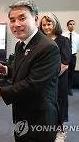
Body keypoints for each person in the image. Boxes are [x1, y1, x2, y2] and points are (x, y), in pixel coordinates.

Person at [0, 0, 61, 142]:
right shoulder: (20, 44)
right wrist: (6, 70)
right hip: (22, 113)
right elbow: (23, 69)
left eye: (22, 18)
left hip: (40, 118)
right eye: (12, 20)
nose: (16, 24)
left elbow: (33, 84)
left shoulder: (47, 47)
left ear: (35, 19)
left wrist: (1, 92)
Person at [39, 13, 71, 141]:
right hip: (42, 81)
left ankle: (60, 132)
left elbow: (64, 64)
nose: (46, 27)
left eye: (49, 24)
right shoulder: (40, 41)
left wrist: (49, 78)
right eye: (44, 25)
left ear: (55, 24)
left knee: (59, 104)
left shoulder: (63, 41)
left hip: (58, 80)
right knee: (46, 106)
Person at [63, 20, 79, 96]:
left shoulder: (77, 36)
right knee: (64, 72)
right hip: (65, 55)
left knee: (71, 73)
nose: (72, 25)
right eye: (70, 24)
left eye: (73, 24)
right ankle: (63, 88)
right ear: (67, 25)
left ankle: (69, 88)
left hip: (73, 56)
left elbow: (77, 48)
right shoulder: (63, 35)